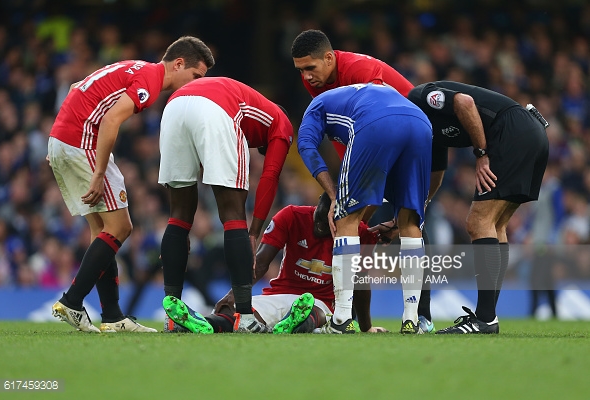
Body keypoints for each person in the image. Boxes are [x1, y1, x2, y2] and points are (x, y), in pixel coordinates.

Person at [49, 36, 215, 333]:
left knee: (102, 230)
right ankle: (72, 301)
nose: (195, 83)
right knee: (121, 227)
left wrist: (65, 135)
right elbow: (112, 119)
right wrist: (99, 172)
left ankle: (112, 317)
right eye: (195, 76)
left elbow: (78, 87)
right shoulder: (150, 81)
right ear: (178, 64)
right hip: (82, 142)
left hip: (63, 139)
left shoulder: (136, 68)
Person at [291, 29, 435, 332]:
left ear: (329, 58)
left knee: (346, 220)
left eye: (310, 68)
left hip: (385, 125)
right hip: (420, 127)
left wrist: (336, 198)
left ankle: (342, 318)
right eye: (300, 70)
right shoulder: (329, 89)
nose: (306, 77)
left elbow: (309, 148)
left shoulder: (340, 86)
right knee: (410, 223)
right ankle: (413, 319)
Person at [408, 81, 549, 334]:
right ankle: (487, 317)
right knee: (496, 225)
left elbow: (464, 102)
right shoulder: (427, 130)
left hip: (511, 132)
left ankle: (484, 319)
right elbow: (438, 171)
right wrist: (423, 202)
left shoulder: (420, 98)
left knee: (477, 221)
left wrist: (481, 154)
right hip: (532, 133)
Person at [158, 76, 293, 333]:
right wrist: (254, 233)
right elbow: (270, 176)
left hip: (174, 106)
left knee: (178, 217)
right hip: (216, 109)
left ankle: (172, 316)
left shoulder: (249, 103)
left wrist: (177, 235)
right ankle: (245, 317)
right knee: (233, 216)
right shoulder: (281, 121)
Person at [163, 193, 389, 334]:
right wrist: (237, 294)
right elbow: (260, 262)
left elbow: (360, 283)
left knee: (318, 312)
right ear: (315, 208)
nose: (319, 227)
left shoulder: (357, 235)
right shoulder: (291, 216)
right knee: (242, 318)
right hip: (280, 293)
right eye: (317, 218)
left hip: (321, 301)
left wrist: (366, 325)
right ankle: (197, 323)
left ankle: (298, 321)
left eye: (326, 224)